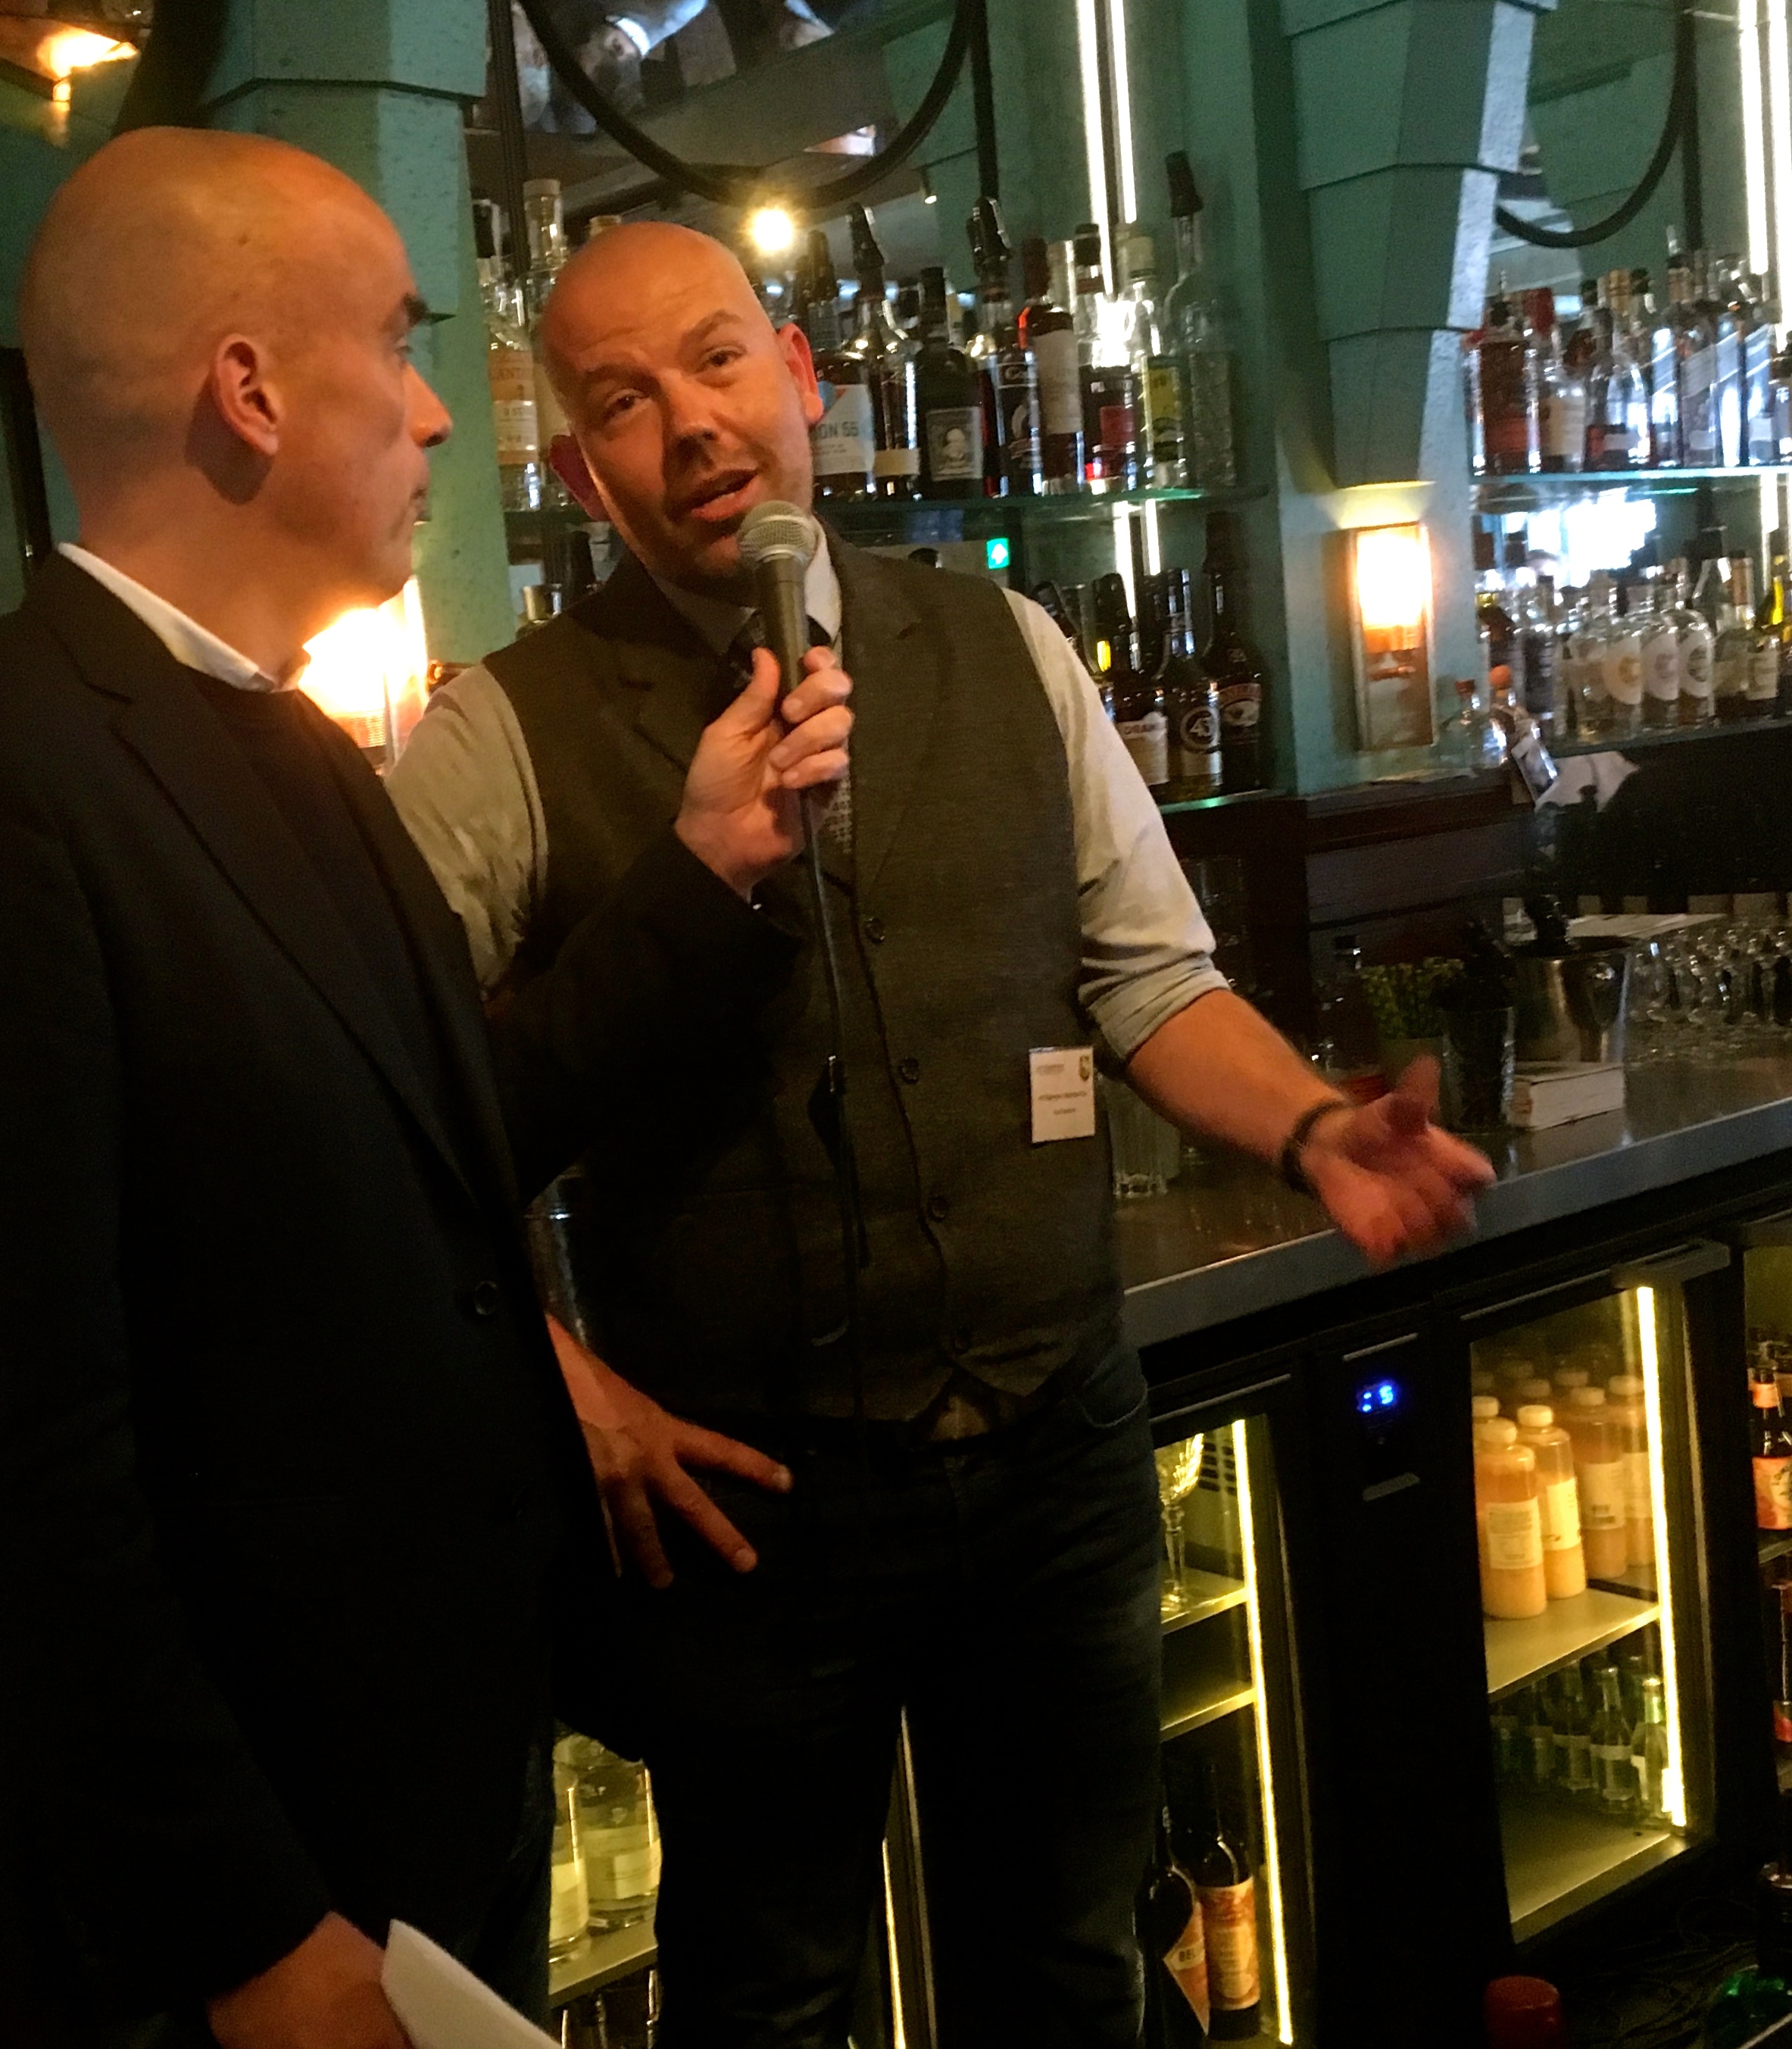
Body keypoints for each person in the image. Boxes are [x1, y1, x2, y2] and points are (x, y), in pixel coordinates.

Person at [0, 138, 851, 2049]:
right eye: (399, 340)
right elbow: (15, 1460)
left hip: (435, 1784)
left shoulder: (290, 735)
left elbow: (444, 1142)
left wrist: (699, 878)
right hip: (261, 1873)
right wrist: (250, 1926)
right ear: (252, 391)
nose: (438, 409)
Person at [385, 221, 1491, 2048]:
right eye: (623, 402)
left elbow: (1150, 978)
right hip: (750, 1504)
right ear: (578, 472)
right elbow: (386, 1120)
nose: (691, 424)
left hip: (1054, 1445)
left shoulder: (1007, 645)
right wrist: (559, 1379)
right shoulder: (502, 732)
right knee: (768, 1992)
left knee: (1069, 1960)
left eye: (718, 359)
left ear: (798, 377)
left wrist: (1313, 1125)